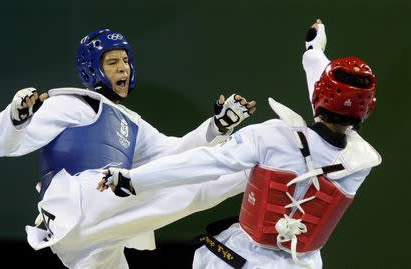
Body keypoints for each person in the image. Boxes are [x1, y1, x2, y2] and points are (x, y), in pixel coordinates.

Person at [98, 20, 382, 269]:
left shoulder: (272, 137)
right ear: (367, 110)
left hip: (235, 258)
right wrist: (313, 54)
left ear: (320, 94)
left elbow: (201, 164)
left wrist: (136, 179)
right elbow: (333, 110)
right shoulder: (361, 162)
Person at [0, 28, 256, 268]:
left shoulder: (132, 122)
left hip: (87, 238)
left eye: (125, 60)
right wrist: (16, 116)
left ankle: (260, 163)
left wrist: (218, 126)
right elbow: (1, 144)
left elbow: (176, 154)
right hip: (83, 201)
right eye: (113, 62)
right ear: (92, 69)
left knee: (185, 177)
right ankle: (267, 158)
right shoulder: (73, 103)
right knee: (193, 187)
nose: (123, 68)